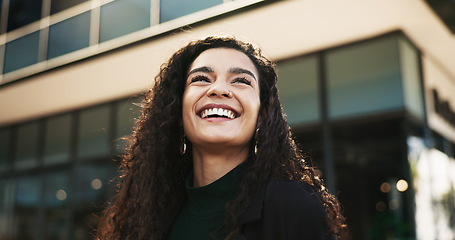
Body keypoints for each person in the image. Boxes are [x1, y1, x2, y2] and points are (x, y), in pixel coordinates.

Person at [96, 36, 347, 240]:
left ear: (261, 115)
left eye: (241, 81)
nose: (219, 89)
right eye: (201, 79)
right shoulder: (144, 218)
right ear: (177, 110)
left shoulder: (294, 206)